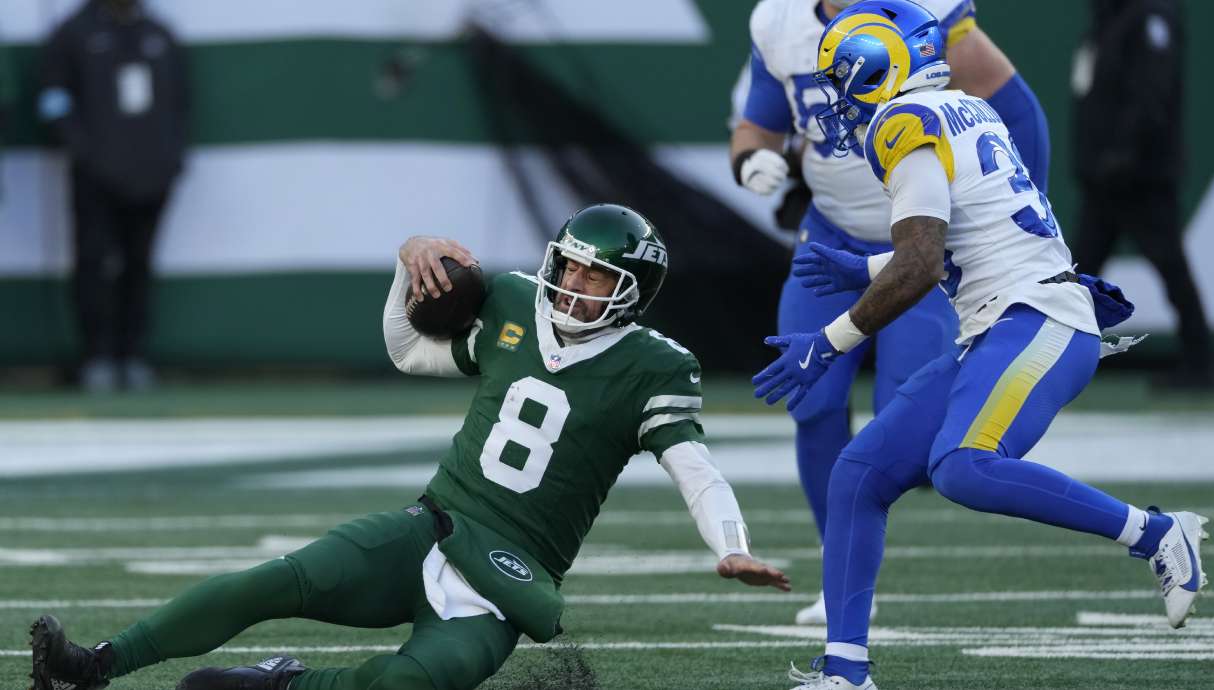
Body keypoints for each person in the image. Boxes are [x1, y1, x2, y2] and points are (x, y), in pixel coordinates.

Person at [29, 204, 790, 690]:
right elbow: (406, 349)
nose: (574, 283)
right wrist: (408, 260)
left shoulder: (657, 366)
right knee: (270, 583)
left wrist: (732, 547)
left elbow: (696, 470)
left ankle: (280, 683)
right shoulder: (513, 301)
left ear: (631, 290)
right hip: (429, 524)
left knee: (408, 687)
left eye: (596, 275)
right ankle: (93, 666)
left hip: (506, 578)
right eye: (571, 264)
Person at [748, 4, 1210, 688]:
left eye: (844, 75)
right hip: (1009, 322)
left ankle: (1156, 532)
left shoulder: (902, 121)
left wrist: (829, 340)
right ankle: (846, 670)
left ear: (884, 65)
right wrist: (866, 267)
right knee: (858, 474)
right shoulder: (961, 106)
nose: (839, 96)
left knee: (963, 467)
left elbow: (923, 265)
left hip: (1036, 321)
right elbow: (956, 238)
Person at [729, 0, 1051, 625]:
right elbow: (757, 127)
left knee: (907, 422)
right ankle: (841, 569)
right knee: (812, 398)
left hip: (921, 248)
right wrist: (750, 160)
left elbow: (1016, 107)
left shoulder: (923, 12)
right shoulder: (777, 21)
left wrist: (1023, 217)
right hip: (829, 235)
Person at [38, 0, 189, 392]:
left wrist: (171, 157)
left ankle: (133, 355)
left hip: (151, 177)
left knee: (139, 264)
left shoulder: (159, 34)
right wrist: (85, 153)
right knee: (94, 263)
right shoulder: (73, 33)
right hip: (96, 179)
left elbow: (180, 102)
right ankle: (97, 356)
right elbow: (53, 101)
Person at [1071, 0, 1214, 391]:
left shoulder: (1151, 16)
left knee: (1170, 265)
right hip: (1104, 177)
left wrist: (1126, 153)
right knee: (1079, 271)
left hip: (1141, 177)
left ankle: (1200, 363)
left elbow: (1152, 91)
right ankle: (1053, 357)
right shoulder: (1110, 17)